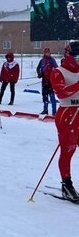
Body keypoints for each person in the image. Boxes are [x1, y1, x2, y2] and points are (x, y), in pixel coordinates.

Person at [49, 41, 79, 201]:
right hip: (67, 114)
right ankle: (66, 184)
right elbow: (61, 93)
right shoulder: (58, 71)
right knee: (68, 150)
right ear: (68, 56)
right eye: (77, 57)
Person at [37, 47, 58, 115]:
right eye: (45, 52)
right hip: (44, 81)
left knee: (52, 97)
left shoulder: (52, 60)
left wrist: (54, 75)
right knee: (45, 96)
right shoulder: (42, 60)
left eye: (48, 52)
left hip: (51, 81)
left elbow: (57, 68)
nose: (47, 53)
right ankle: (45, 110)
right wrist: (40, 74)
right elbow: (38, 68)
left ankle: (54, 111)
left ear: (50, 53)